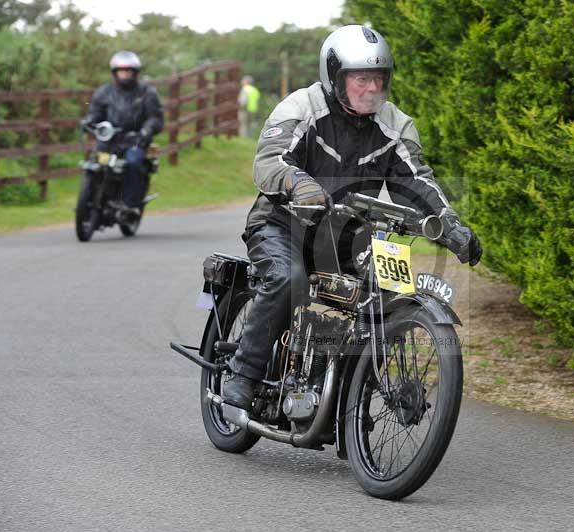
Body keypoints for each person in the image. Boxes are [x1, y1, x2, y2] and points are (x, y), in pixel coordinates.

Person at [222, 25, 482, 410]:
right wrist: (300, 184)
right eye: (361, 78)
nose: (371, 88)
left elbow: (419, 182)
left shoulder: (396, 125)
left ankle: (346, 389)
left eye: (378, 79)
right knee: (288, 278)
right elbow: (269, 161)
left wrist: (450, 224)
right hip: (283, 225)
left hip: (347, 237)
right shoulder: (301, 107)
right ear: (335, 75)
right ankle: (244, 373)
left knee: (386, 294)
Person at [83, 51, 164, 218]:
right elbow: (95, 113)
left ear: (135, 72)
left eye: (128, 71)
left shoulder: (147, 93)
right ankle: (92, 196)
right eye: (121, 71)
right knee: (97, 162)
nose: (125, 74)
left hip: (135, 141)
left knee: (134, 163)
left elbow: (155, 117)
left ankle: (130, 204)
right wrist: (89, 121)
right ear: (115, 72)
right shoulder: (104, 92)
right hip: (109, 140)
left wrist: (146, 131)